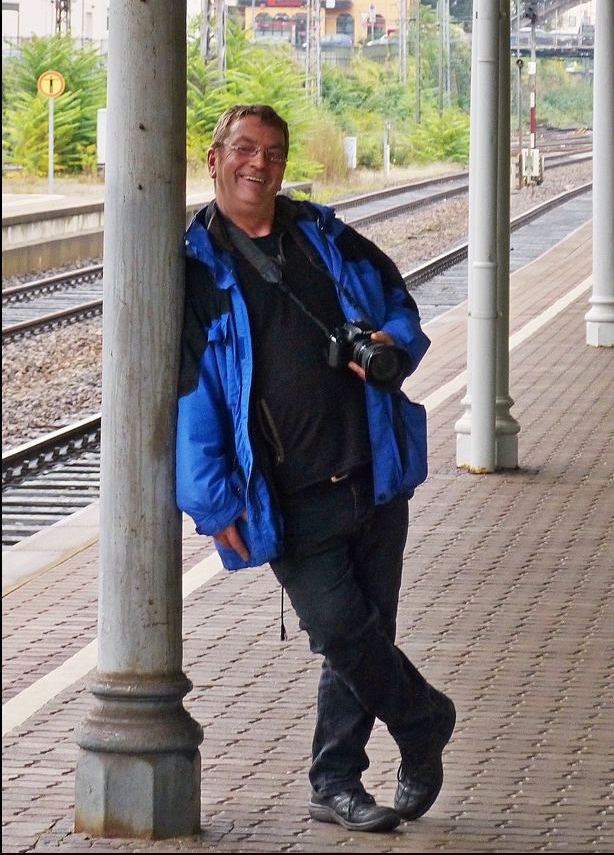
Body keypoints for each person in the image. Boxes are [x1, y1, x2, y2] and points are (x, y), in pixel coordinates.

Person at [176, 104, 455, 833]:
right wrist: (213, 505)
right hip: (284, 492)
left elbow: (397, 302)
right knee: (340, 630)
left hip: (371, 469)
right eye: (242, 149)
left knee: (365, 638)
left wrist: (387, 348)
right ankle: (423, 721)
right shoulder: (195, 264)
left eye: (271, 151)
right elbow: (190, 397)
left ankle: (335, 781)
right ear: (213, 159)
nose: (257, 164)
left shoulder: (323, 235)